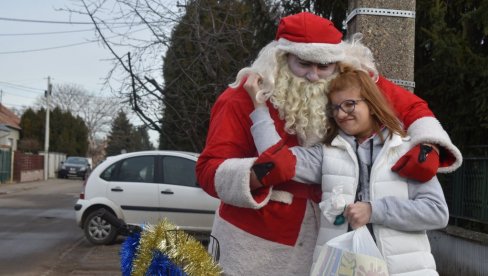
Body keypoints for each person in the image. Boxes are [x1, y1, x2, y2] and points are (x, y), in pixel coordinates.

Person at [196, 12, 461, 275]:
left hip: (329, 253)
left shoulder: (351, 89)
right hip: (255, 245)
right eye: (304, 64)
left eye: (324, 66)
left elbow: (413, 107)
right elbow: (209, 170)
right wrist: (255, 174)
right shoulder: (240, 99)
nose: (314, 76)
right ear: (281, 58)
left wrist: (428, 146)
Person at [246, 64, 450, 275]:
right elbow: (275, 162)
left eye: (349, 105)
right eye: (335, 108)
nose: (342, 114)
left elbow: (437, 212)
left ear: (371, 105)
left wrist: (374, 211)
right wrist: (259, 106)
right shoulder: (326, 154)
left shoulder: (406, 150)